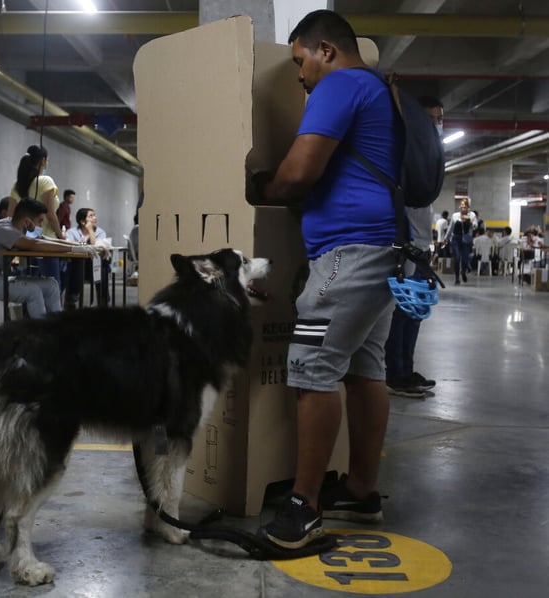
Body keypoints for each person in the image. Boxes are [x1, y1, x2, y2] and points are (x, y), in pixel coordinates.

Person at [250, 10, 400, 550]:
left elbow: (297, 173)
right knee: (364, 368)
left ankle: (303, 507)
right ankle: (360, 491)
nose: (299, 75)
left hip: (348, 256)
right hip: (382, 251)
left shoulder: (339, 86)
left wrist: (261, 188)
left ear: (326, 51)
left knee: (311, 367)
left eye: (300, 61)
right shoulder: (378, 89)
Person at [384, 96, 443, 399]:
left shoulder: (429, 157)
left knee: (416, 310)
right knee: (401, 312)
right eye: (431, 118)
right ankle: (394, 372)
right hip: (405, 247)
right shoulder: (407, 154)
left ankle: (406, 368)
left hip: (422, 247)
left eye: (440, 119)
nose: (436, 125)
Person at [0, 198, 92, 319]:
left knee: (51, 285)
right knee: (33, 292)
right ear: (27, 221)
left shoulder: (14, 225)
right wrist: (74, 249)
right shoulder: (4, 229)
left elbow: (43, 239)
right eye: (40, 221)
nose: (41, 225)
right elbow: (35, 244)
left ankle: (57, 329)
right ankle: (40, 337)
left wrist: (79, 245)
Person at [9, 145, 64, 285]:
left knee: (28, 285)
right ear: (43, 161)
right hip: (47, 243)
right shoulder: (45, 181)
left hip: (25, 244)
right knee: (52, 285)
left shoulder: (17, 185)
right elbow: (51, 215)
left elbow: (10, 215)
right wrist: (62, 238)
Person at [64, 207, 111, 309]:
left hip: (94, 267)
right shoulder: (72, 232)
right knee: (75, 263)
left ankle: (103, 300)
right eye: (91, 216)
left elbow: (96, 246)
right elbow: (67, 245)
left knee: (103, 266)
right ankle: (72, 298)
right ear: (82, 221)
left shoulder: (100, 232)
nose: (95, 218)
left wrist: (90, 230)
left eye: (94, 215)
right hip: (78, 267)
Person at [444, 199, 477, 285]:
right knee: (457, 257)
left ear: (468, 208)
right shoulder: (455, 215)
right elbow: (450, 227)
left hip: (466, 239)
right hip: (456, 239)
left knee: (465, 259)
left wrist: (469, 220)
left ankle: (463, 272)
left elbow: (475, 226)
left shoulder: (472, 215)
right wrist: (446, 238)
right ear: (459, 207)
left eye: (465, 207)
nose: (463, 209)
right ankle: (457, 278)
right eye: (462, 207)